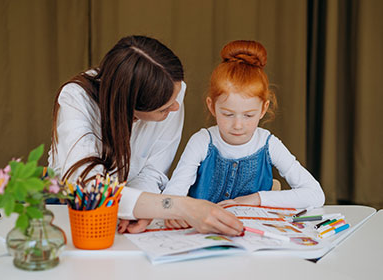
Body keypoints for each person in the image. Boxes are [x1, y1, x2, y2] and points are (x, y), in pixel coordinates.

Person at [48, 35, 243, 235]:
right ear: (130, 105)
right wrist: (184, 207)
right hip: (68, 209)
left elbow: (152, 171)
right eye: (163, 109)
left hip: (126, 215)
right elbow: (90, 188)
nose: (176, 107)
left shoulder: (171, 91)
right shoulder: (76, 99)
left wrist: (144, 208)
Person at [162, 40, 325, 228]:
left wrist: (257, 198)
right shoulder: (201, 141)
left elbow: (315, 194)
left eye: (248, 115)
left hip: (252, 236)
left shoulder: (269, 144)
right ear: (211, 106)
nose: (238, 125)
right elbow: (173, 194)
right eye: (228, 114)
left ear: (263, 109)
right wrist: (174, 209)